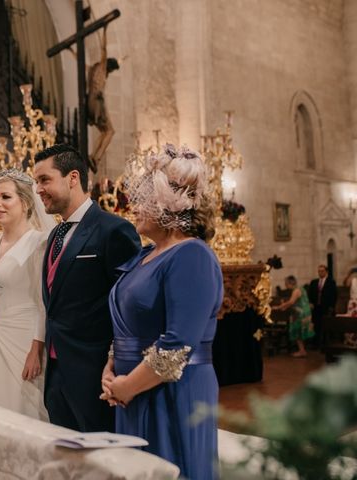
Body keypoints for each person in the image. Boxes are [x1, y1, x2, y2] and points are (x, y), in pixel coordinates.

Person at [100, 143, 223, 480]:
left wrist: (127, 386)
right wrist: (111, 370)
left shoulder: (192, 256)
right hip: (132, 388)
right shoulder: (145, 255)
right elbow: (130, 324)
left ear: (169, 205)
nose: (133, 206)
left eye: (143, 198)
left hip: (173, 392)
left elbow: (177, 345)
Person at [33, 144, 141, 432]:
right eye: (36, 182)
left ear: (72, 178)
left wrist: (115, 361)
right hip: (57, 375)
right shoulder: (56, 233)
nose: (39, 189)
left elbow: (128, 306)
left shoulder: (114, 230)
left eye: (45, 180)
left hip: (95, 372)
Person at [0, 169, 56, 419]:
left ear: (25, 202)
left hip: (24, 340)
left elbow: (44, 301)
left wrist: (37, 348)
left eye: (5, 197)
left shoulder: (40, 241)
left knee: (24, 410)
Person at [87, 26, 119, 174]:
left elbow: (79, 60)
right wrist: (105, 30)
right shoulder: (102, 68)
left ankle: (93, 156)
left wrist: (71, 51)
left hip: (90, 101)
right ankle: (97, 158)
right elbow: (103, 49)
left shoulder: (92, 69)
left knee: (103, 131)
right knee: (111, 131)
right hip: (98, 103)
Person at [273, 275, 314, 357]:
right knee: (301, 332)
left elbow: (291, 302)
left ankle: (302, 351)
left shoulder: (296, 291)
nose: (285, 285)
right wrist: (284, 307)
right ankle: (302, 349)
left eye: (286, 283)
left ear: (289, 283)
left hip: (300, 314)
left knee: (298, 331)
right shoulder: (300, 289)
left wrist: (279, 307)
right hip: (303, 312)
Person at [308, 264, 337, 345]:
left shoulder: (331, 282)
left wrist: (331, 307)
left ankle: (326, 344)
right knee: (316, 325)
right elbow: (310, 294)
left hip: (326, 307)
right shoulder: (314, 282)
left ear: (326, 272)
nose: (320, 273)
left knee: (326, 326)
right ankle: (316, 343)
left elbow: (334, 295)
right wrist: (310, 303)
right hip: (316, 307)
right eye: (319, 271)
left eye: (322, 271)